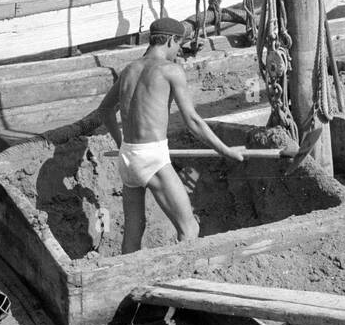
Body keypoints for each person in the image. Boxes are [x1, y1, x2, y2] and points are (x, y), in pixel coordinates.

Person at [98, 16, 245, 253]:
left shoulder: (128, 70)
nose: (178, 51)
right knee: (189, 230)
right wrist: (226, 150)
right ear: (170, 41)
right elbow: (193, 122)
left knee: (134, 232)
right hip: (152, 158)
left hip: (127, 157)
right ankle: (183, 279)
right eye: (179, 45)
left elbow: (104, 111)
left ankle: (127, 282)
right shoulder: (170, 70)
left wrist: (121, 142)